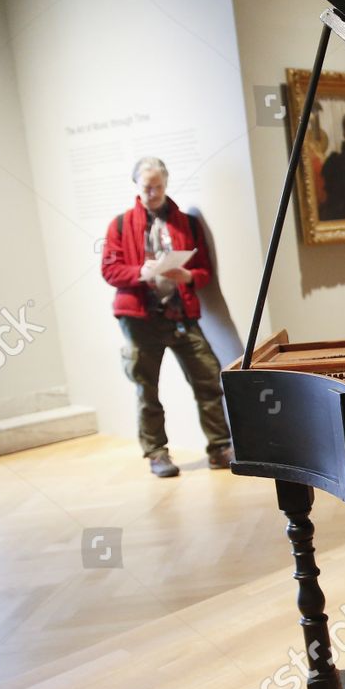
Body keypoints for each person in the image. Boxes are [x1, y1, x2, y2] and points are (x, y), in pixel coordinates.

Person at [100, 157, 233, 478]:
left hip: (182, 314)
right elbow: (109, 269)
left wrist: (187, 276)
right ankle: (157, 453)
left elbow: (204, 272)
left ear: (166, 184)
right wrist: (139, 272)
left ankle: (220, 447)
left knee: (209, 377)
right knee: (147, 389)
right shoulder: (120, 225)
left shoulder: (186, 223)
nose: (154, 192)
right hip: (140, 319)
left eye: (159, 186)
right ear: (137, 186)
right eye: (148, 187)